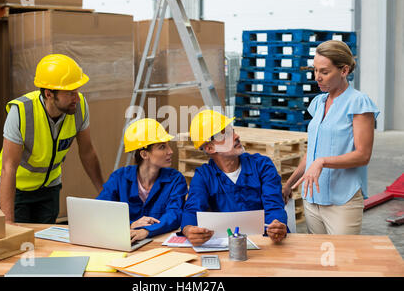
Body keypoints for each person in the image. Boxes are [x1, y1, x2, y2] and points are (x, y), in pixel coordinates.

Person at [282, 40, 379, 235]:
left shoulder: (358, 102)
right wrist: (290, 184)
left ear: (344, 70)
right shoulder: (318, 102)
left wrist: (322, 162)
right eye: (315, 70)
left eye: (324, 72)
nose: (317, 77)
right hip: (312, 198)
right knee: (318, 260)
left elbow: (363, 155)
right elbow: (312, 152)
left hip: (342, 201)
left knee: (341, 261)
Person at [0, 54, 104, 224]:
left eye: (77, 91)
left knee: (45, 242)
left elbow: (87, 152)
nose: (77, 98)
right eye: (70, 93)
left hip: (50, 188)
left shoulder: (79, 107)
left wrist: (102, 192)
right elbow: (8, 168)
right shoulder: (21, 113)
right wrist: (8, 223)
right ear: (49, 94)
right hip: (17, 190)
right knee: (20, 243)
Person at [181, 109, 288, 246]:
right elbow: (192, 210)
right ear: (210, 148)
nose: (236, 136)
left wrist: (277, 224)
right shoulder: (204, 176)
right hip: (228, 246)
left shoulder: (262, 165)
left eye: (233, 131)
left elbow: (274, 206)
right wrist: (188, 229)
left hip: (266, 242)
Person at [96, 118, 187, 244]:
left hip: (158, 244)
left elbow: (175, 214)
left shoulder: (175, 179)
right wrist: (131, 224)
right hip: (124, 241)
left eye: (168, 145)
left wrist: (147, 230)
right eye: (162, 147)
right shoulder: (119, 178)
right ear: (144, 154)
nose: (170, 151)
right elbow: (100, 211)